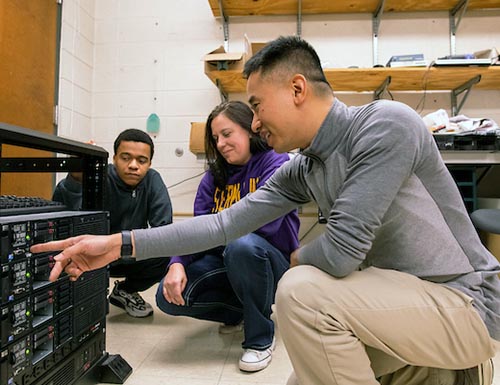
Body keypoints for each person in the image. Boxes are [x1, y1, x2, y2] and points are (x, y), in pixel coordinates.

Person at [33, 35, 500, 385]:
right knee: (303, 378)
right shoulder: (305, 167)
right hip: (402, 308)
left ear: (298, 88)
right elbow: (222, 224)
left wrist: (296, 260)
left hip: (466, 307)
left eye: (257, 106)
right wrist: (116, 245)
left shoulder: (383, 124)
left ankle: (456, 366)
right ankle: (435, 372)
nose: (253, 123)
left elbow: (340, 254)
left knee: (301, 290)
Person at [157, 101, 300, 372]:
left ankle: (259, 339)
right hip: (226, 257)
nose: (220, 144)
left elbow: (265, 227)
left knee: (242, 244)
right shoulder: (213, 177)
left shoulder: (276, 161)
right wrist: (177, 262)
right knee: (168, 296)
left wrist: (210, 238)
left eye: (227, 134)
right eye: (215, 138)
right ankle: (238, 312)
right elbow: (198, 227)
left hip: (269, 263)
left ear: (249, 130)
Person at [53, 128, 173, 318]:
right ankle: (80, 299)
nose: (134, 165)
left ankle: (124, 291)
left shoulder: (152, 180)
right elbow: (63, 215)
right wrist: (75, 177)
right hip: (91, 255)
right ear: (115, 158)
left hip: (128, 254)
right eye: (126, 158)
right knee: (67, 251)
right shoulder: (99, 176)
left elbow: (164, 229)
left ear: (149, 163)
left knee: (168, 253)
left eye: (142, 160)